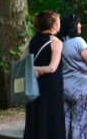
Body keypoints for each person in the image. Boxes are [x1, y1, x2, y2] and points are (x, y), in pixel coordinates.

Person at [24, 10, 65, 139]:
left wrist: (33, 69)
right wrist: (38, 69)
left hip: (34, 84)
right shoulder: (56, 42)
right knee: (51, 116)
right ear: (53, 25)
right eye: (58, 22)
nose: (60, 24)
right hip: (51, 85)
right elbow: (52, 68)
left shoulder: (33, 41)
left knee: (35, 116)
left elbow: (25, 61)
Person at [59, 14, 87, 139]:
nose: (80, 25)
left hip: (64, 87)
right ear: (73, 26)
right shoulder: (79, 42)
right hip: (82, 88)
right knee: (81, 121)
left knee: (65, 120)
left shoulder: (60, 44)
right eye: (78, 23)